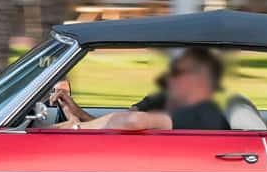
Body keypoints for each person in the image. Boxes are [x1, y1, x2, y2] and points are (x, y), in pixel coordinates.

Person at [51, 47, 231, 131]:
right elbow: (117, 124)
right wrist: (77, 113)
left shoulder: (201, 112)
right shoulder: (171, 101)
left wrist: (76, 128)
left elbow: (133, 121)